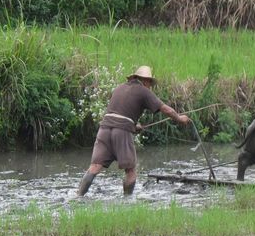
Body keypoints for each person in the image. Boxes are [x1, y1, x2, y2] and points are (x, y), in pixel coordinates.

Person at [77, 66, 190, 197]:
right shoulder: (143, 91)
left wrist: (134, 125)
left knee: (95, 166)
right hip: (122, 132)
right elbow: (166, 109)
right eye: (150, 84)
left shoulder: (119, 88)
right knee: (130, 171)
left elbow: (118, 113)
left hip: (104, 129)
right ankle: (127, 202)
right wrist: (180, 119)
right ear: (146, 81)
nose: (150, 87)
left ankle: (78, 196)